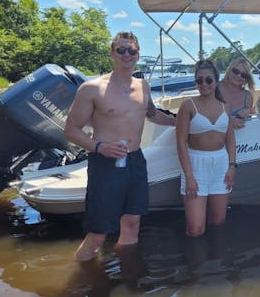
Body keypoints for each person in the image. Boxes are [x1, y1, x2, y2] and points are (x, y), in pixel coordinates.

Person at [64, 31, 176, 261]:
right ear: (112, 53)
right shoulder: (92, 88)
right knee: (99, 233)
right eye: (121, 49)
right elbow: (71, 130)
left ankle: (128, 274)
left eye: (131, 50)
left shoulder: (143, 86)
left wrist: (185, 120)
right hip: (105, 163)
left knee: (133, 222)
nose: (127, 54)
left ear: (138, 55)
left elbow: (154, 115)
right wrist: (99, 147)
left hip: (135, 161)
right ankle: (81, 277)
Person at [176, 59, 236, 237]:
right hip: (195, 165)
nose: (204, 84)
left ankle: (215, 262)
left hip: (221, 165)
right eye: (199, 80)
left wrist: (232, 166)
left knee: (218, 221)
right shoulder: (188, 105)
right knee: (195, 229)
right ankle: (193, 263)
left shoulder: (226, 107)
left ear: (216, 81)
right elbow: (180, 142)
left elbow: (230, 140)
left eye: (208, 80)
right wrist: (189, 176)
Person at [218, 57, 256, 129]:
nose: (238, 76)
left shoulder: (248, 96)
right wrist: (230, 121)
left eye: (243, 75)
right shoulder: (215, 89)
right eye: (235, 71)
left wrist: (248, 113)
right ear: (229, 70)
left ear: (247, 79)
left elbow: (249, 123)